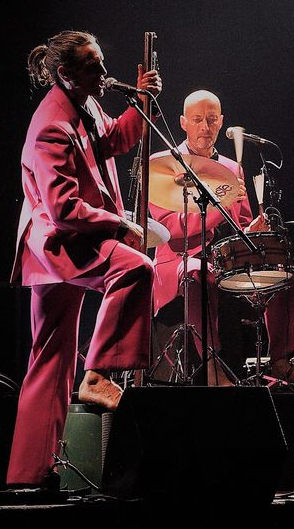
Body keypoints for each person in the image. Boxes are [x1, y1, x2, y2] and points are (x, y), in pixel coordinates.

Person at [7, 30, 162, 487]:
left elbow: (112, 140)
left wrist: (141, 104)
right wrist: (119, 224)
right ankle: (98, 374)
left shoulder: (86, 101)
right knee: (136, 268)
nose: (102, 72)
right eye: (92, 66)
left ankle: (27, 475)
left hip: (63, 241)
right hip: (59, 242)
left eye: (100, 61)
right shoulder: (50, 124)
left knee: (49, 358)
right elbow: (63, 208)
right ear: (65, 75)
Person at [149, 90, 294, 386]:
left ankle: (280, 360)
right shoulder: (162, 165)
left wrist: (254, 228)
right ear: (183, 122)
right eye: (198, 120)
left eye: (212, 120)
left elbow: (238, 226)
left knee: (278, 269)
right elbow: (171, 231)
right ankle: (213, 368)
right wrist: (219, 208)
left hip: (222, 261)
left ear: (221, 122)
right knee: (196, 273)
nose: (205, 127)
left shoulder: (232, 168)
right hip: (178, 262)